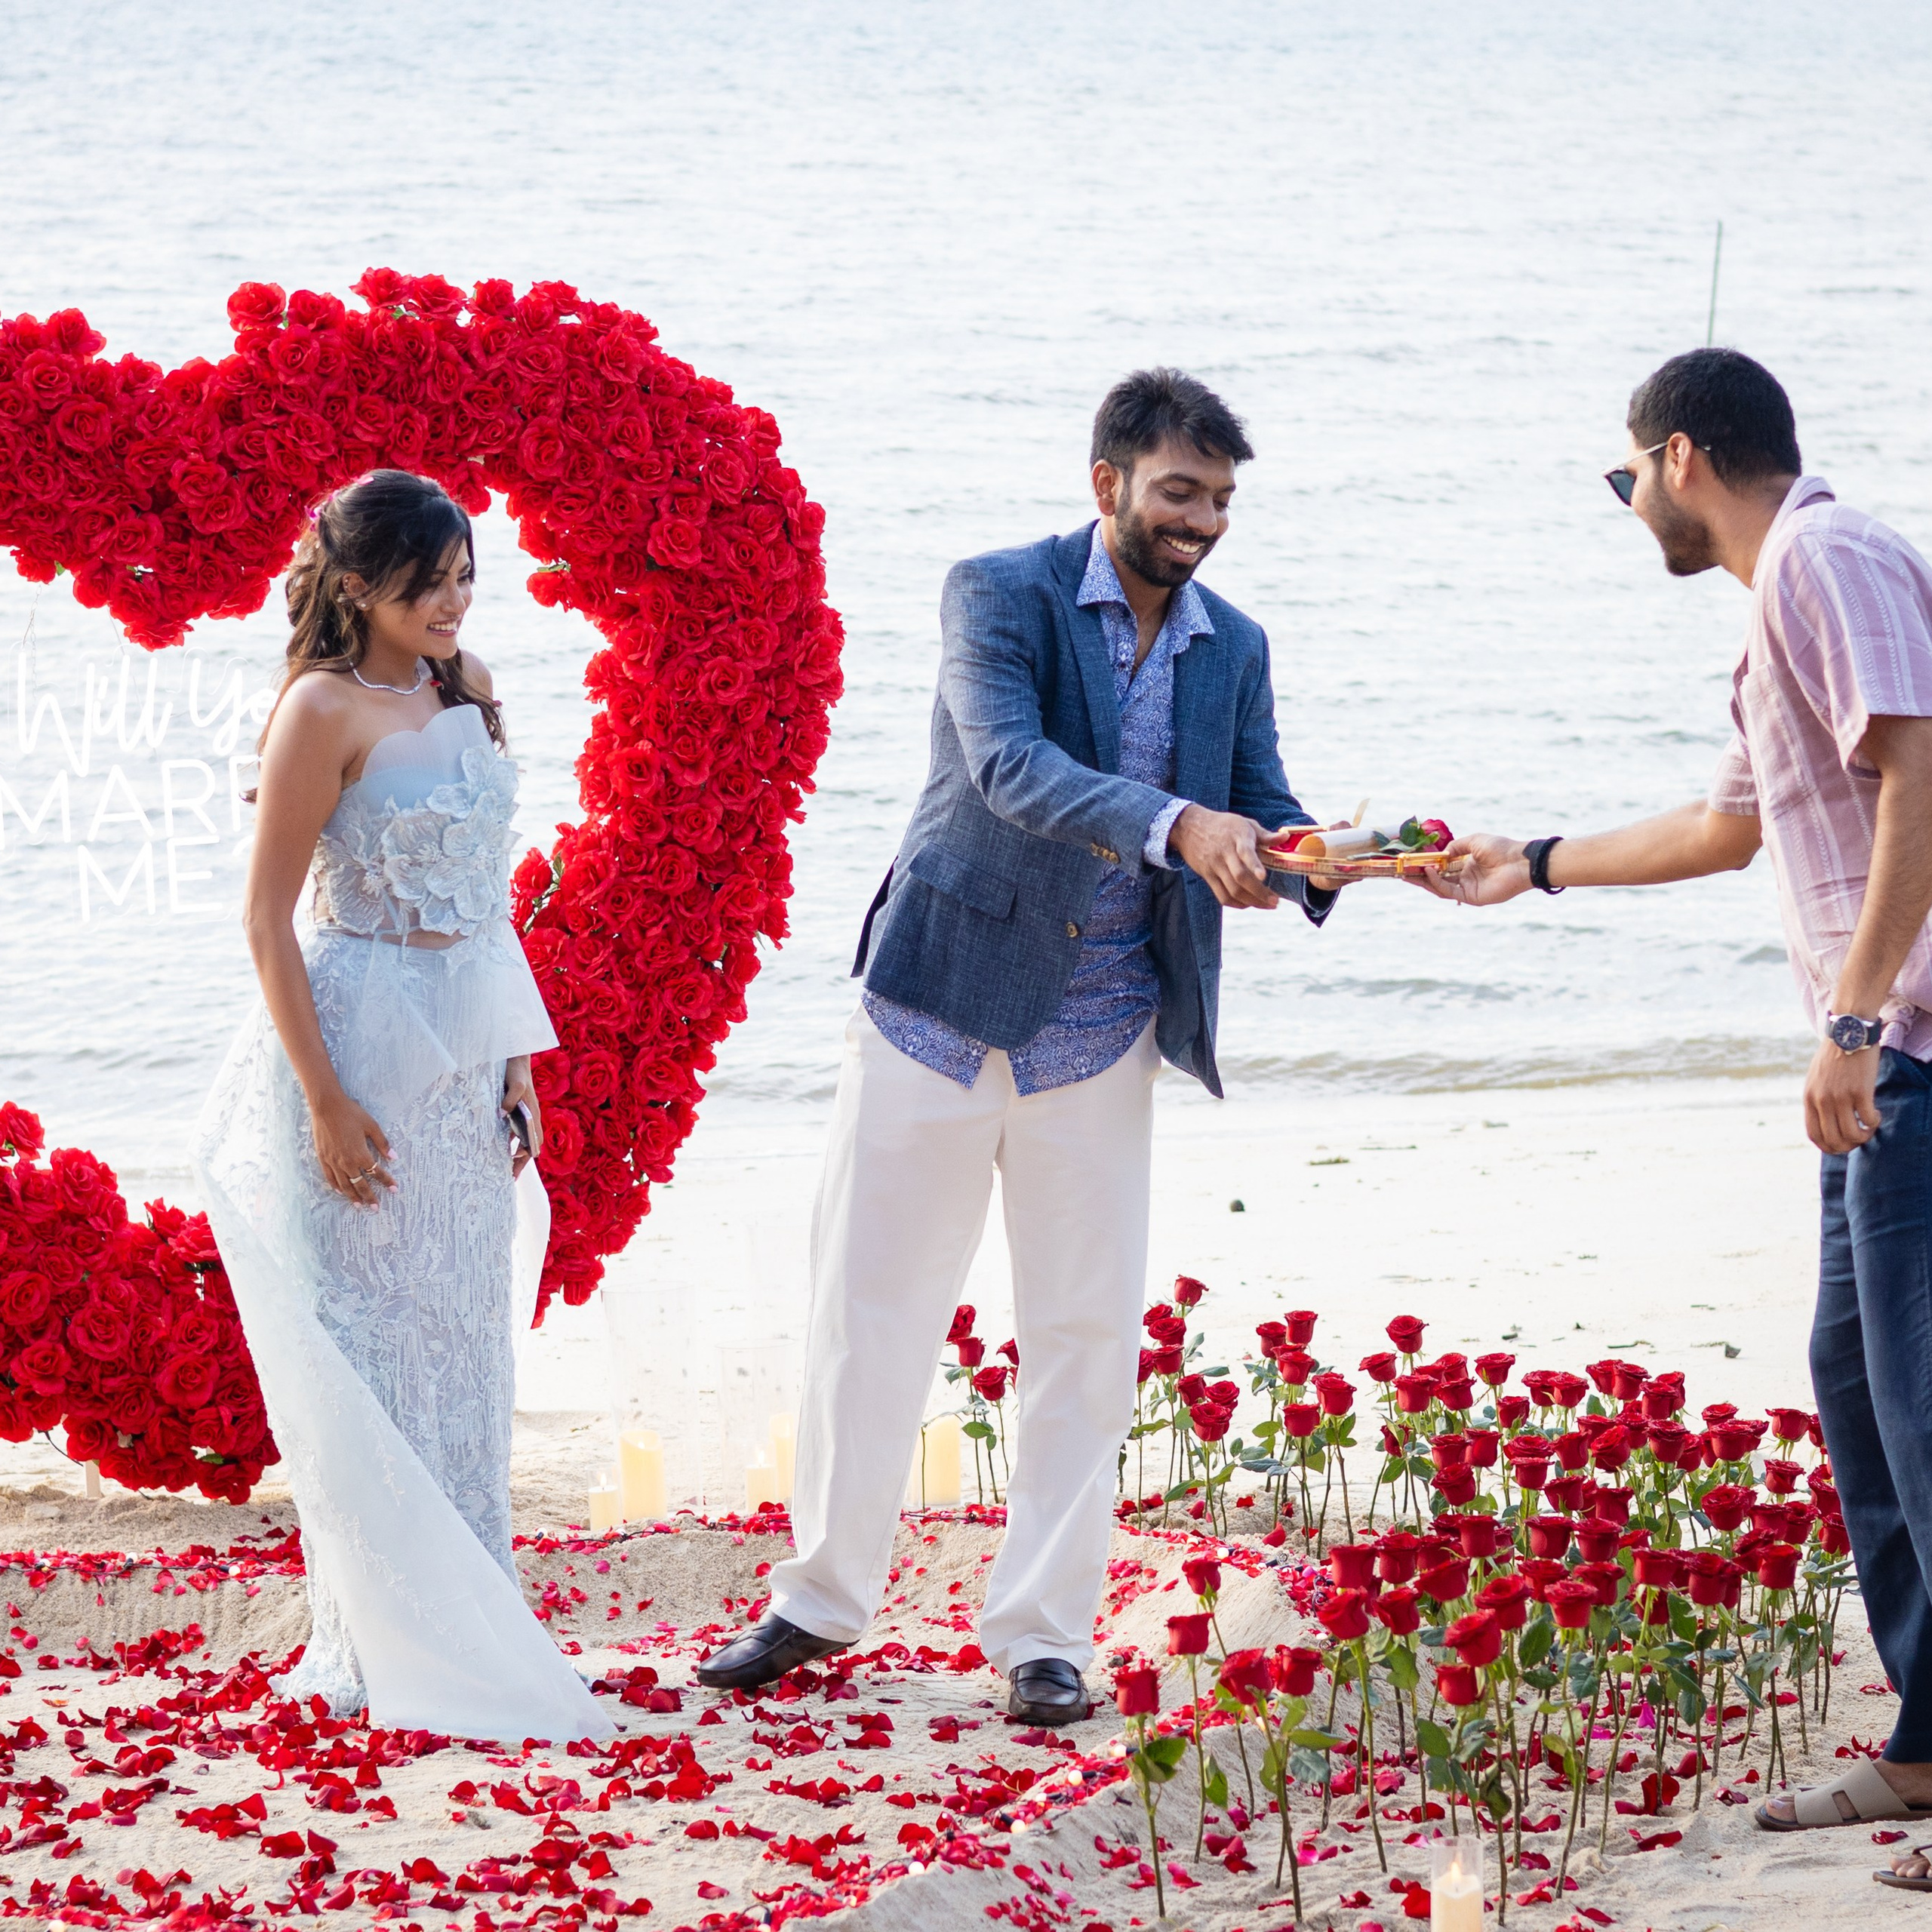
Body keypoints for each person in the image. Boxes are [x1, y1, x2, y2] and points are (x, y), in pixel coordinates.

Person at [697, 368, 1346, 1722]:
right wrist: (1181, 826)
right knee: (866, 1317)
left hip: (1106, 1031)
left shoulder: (1236, 644)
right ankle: (818, 1602)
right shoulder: (995, 591)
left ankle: (1044, 1634)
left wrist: (1350, 860)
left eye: (1222, 500)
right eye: (1179, 494)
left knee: (1085, 1339)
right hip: (936, 1004)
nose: (1203, 523)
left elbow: (1263, 811)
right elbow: (1009, 769)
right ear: (1107, 482)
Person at [1428, 348, 1932, 1866]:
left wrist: (1851, 1017)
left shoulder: (1825, 556)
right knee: (1854, 1384)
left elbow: (1917, 773)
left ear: (1679, 456)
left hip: (1909, 1044)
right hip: (1883, 1057)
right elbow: (1728, 825)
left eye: (1621, 474)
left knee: (1919, 1407)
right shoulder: (1781, 600)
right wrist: (1531, 856)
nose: (1625, 501)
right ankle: (1923, 1745)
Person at [194, 470, 611, 1743]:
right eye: (426, 582)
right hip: (361, 1045)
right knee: (373, 1351)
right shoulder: (317, 711)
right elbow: (268, 918)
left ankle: (468, 1615)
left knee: (464, 1344)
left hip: (465, 1053)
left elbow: (486, 898)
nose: (453, 600)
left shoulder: (463, 688)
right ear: (359, 584)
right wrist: (323, 1097)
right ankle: (377, 1641)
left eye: (464, 575)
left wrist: (519, 1062)